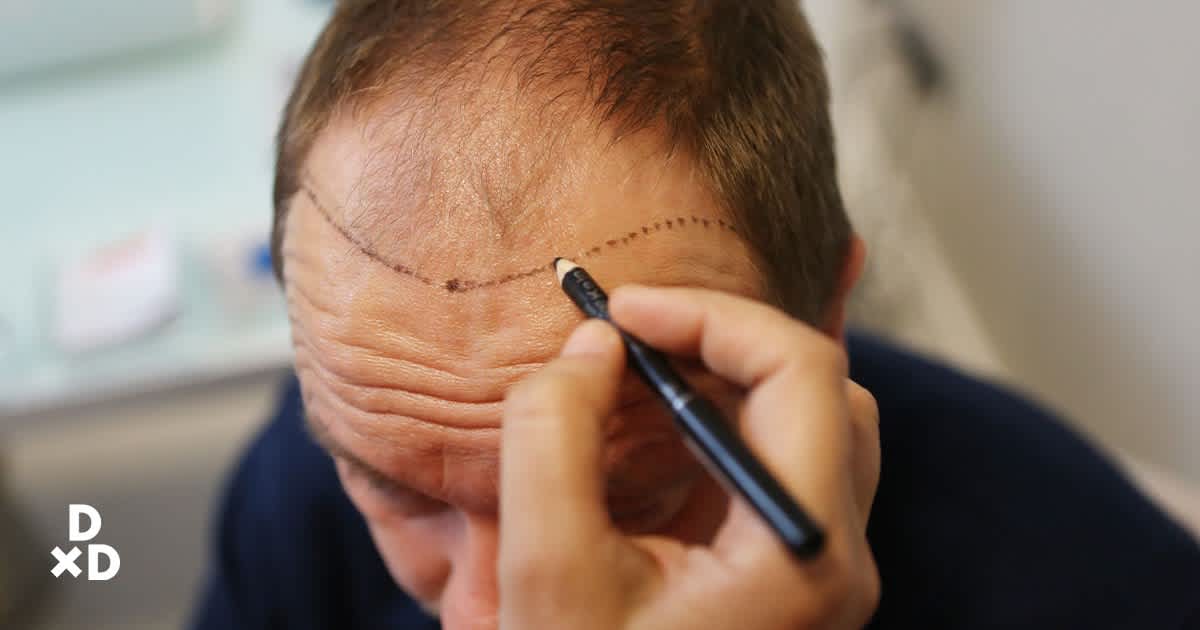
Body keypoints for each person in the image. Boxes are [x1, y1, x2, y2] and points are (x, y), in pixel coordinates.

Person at [191, 1, 1200, 628]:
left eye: (630, 498)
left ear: (825, 317)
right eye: (406, 496)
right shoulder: (298, 489)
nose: (493, 612)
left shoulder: (1103, 587)